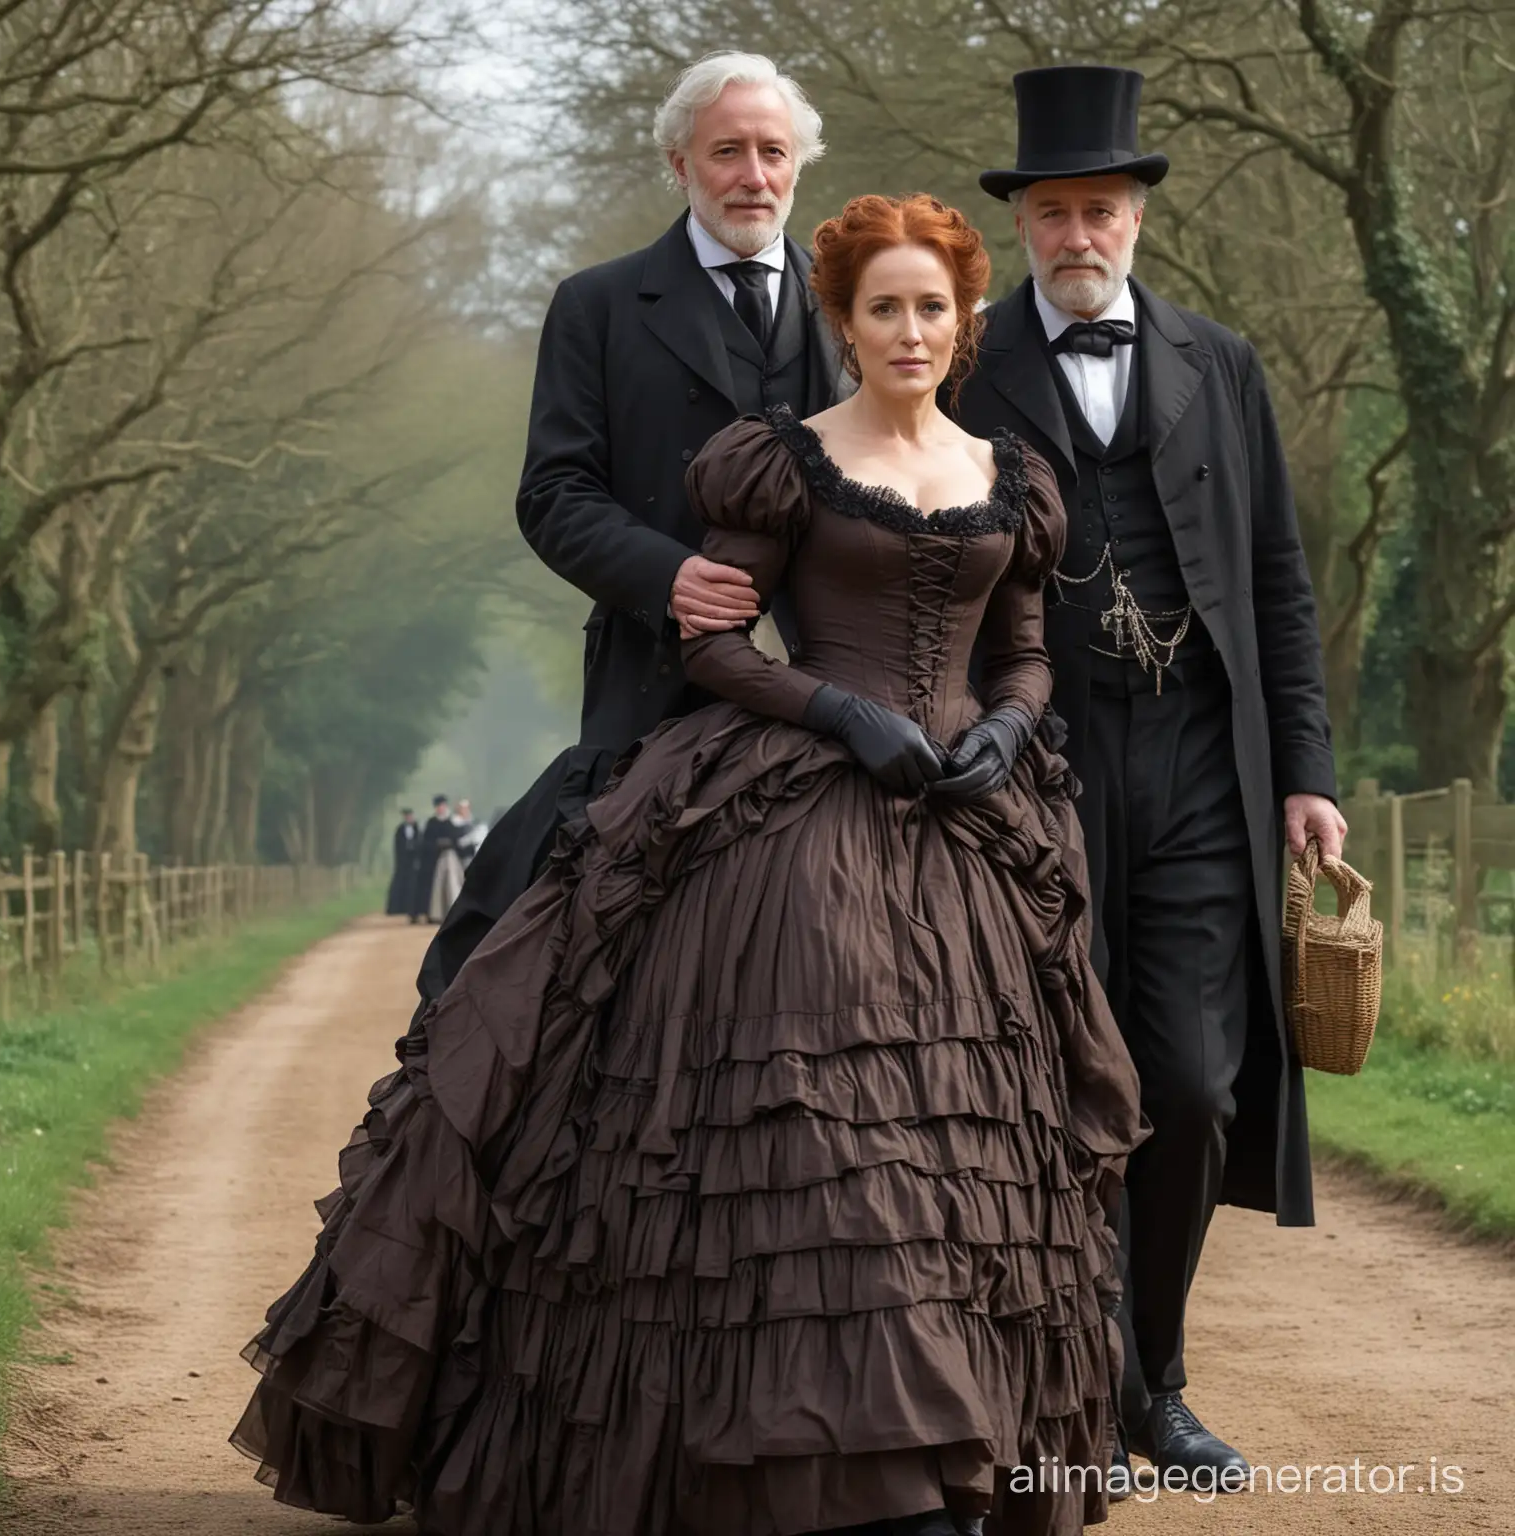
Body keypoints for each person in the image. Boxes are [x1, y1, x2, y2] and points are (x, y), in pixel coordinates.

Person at [232, 193, 1143, 1535]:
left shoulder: (1011, 474)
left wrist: (1006, 730)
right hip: (797, 825)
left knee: (972, 1153)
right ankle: (853, 1467)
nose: (908, 328)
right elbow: (716, 642)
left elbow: (1020, 646)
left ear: (965, 325)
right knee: (829, 1142)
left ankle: (955, 1447)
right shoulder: (778, 460)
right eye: (882, 306)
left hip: (972, 839)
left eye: (931, 308)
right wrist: (839, 713)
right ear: (843, 321)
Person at [946, 65, 1344, 1486]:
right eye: (1054, 211)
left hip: (1196, 765)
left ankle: (1157, 1377)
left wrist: (1307, 767)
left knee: (1188, 1081)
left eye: (1100, 208)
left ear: (1135, 220)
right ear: (1025, 224)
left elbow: (1282, 587)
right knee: (1046, 1086)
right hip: (1027, 768)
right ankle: (1079, 1386)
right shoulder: (959, 358)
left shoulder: (1223, 366)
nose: (1079, 232)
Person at [411, 50, 845, 1010]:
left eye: (773, 151)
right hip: (652, 682)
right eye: (726, 151)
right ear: (678, 164)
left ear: (800, 165)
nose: (753, 174)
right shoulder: (597, 305)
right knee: (621, 981)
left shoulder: (854, 307)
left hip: (833, 689)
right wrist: (670, 577)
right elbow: (554, 493)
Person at [415, 795, 463, 925]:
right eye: (439, 806)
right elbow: (425, 843)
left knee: (452, 884)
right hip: (434, 860)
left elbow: (457, 840)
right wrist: (436, 845)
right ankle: (434, 914)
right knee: (434, 888)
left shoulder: (451, 822)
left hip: (450, 858)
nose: (441, 808)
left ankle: (452, 913)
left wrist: (449, 844)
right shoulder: (431, 823)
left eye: (443, 806)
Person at [385, 808, 418, 917]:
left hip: (413, 860)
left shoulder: (417, 828)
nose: (409, 818)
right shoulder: (400, 829)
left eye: (410, 816)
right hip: (403, 861)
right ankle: (396, 908)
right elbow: (397, 846)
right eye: (407, 816)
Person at [453, 798, 489, 866]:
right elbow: (459, 842)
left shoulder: (474, 821)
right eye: (463, 808)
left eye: (467, 808)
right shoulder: (454, 823)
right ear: (459, 809)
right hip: (462, 853)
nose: (465, 810)